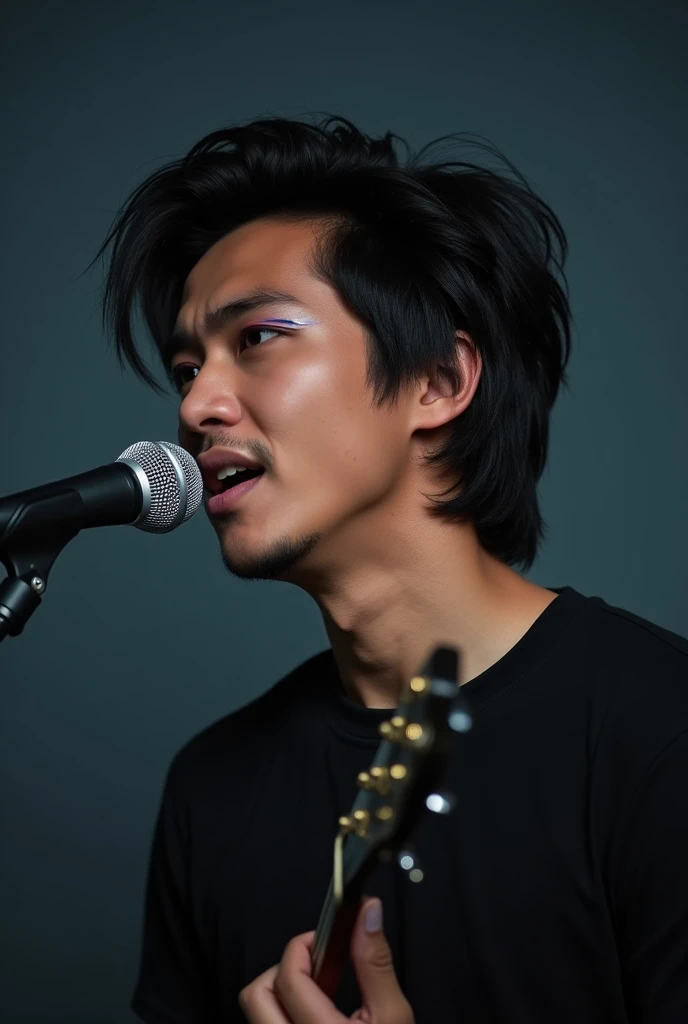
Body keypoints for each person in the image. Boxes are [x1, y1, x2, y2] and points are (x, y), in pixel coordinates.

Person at [94, 114, 688, 1023]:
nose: (196, 405)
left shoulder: (661, 736)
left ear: (438, 382)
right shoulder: (211, 788)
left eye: (256, 337)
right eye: (186, 368)